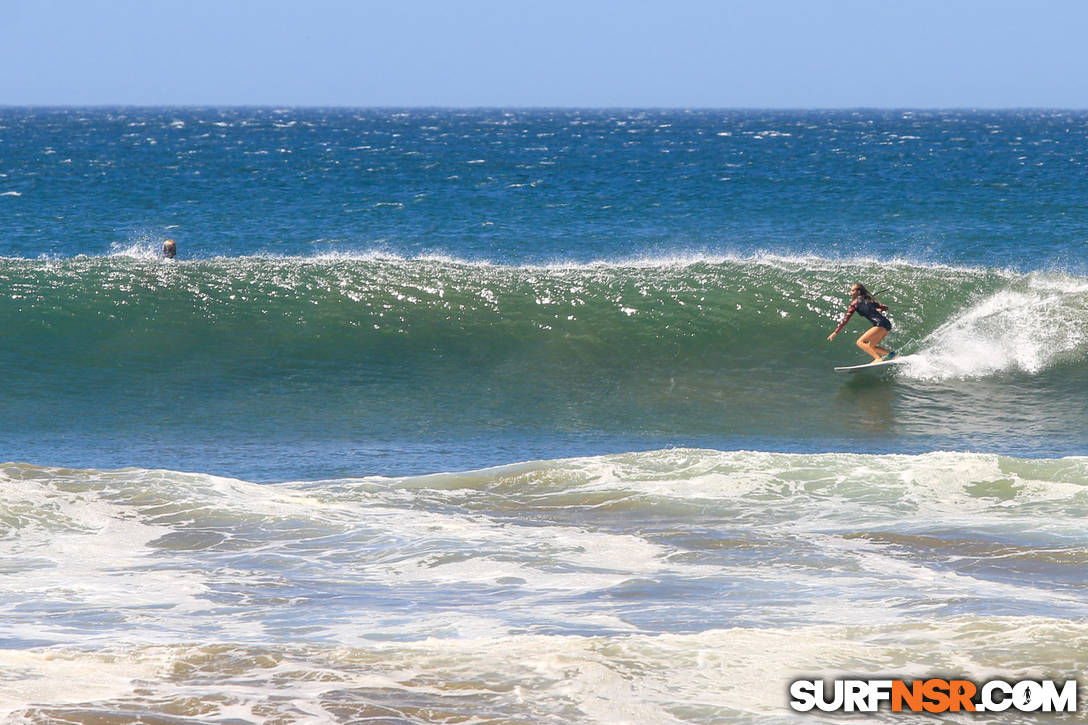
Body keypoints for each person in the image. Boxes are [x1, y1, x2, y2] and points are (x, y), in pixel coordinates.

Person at [827, 283, 896, 363]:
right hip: (887, 324)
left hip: (880, 324)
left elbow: (846, 319)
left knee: (860, 342)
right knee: (871, 346)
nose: (850, 293)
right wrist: (878, 308)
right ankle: (893, 356)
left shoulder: (854, 304)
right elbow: (885, 307)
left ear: (858, 292)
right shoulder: (869, 300)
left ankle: (877, 358)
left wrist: (835, 332)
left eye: (853, 290)